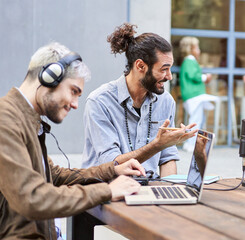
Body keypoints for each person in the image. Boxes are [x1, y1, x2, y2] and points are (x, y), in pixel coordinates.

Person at [0, 42, 146, 239]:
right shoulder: (6, 120)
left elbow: (54, 175)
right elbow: (31, 198)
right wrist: (107, 191)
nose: (76, 104)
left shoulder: (25, 119)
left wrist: (113, 169)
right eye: (73, 91)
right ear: (49, 77)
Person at [81, 23, 196, 178]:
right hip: (107, 191)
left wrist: (169, 192)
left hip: (149, 189)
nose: (169, 76)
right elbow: (111, 164)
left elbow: (167, 158)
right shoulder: (100, 102)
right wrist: (157, 145)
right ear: (140, 66)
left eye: (170, 69)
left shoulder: (166, 102)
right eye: (163, 69)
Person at [179, 36, 218, 152]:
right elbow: (194, 76)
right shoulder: (190, 60)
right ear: (191, 49)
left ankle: (193, 143)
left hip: (192, 96)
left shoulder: (188, 61)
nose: (199, 50)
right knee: (196, 121)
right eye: (197, 48)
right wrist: (206, 77)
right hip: (194, 95)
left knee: (197, 119)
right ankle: (190, 144)